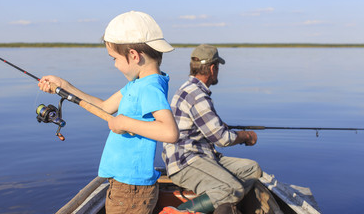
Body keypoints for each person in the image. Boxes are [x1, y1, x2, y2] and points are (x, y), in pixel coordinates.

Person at [38, 11, 179, 214]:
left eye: (113, 58)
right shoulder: (137, 84)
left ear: (133, 55)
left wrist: (124, 123)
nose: (114, 64)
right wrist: (64, 86)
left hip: (131, 189)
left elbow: (169, 132)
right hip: (125, 184)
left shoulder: (149, 87)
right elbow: (103, 107)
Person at [162, 44, 262, 214]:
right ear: (212, 68)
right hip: (186, 161)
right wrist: (246, 136)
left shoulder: (189, 89)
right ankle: (178, 211)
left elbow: (208, 129)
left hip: (204, 156)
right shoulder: (198, 95)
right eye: (217, 68)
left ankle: (219, 201)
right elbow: (222, 139)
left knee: (252, 169)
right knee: (232, 189)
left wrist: (222, 127)